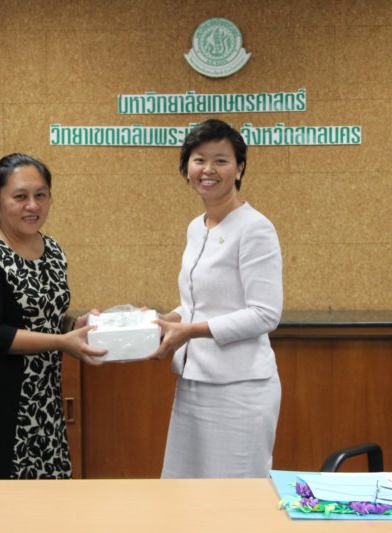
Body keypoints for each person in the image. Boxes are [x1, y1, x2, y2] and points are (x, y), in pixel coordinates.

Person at [0, 153, 106, 480]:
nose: (32, 205)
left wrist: (73, 325)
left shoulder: (53, 250)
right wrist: (62, 341)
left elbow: (43, 315)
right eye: (20, 197)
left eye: (40, 195)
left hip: (42, 399)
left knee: (46, 498)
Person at [150, 119, 283, 478]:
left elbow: (265, 314)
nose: (208, 169)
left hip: (241, 389)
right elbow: (198, 303)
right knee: (184, 491)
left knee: (234, 496)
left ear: (239, 169)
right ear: (187, 168)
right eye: (199, 160)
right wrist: (166, 320)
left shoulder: (255, 228)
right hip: (193, 384)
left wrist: (190, 331)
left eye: (221, 160)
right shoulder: (196, 227)